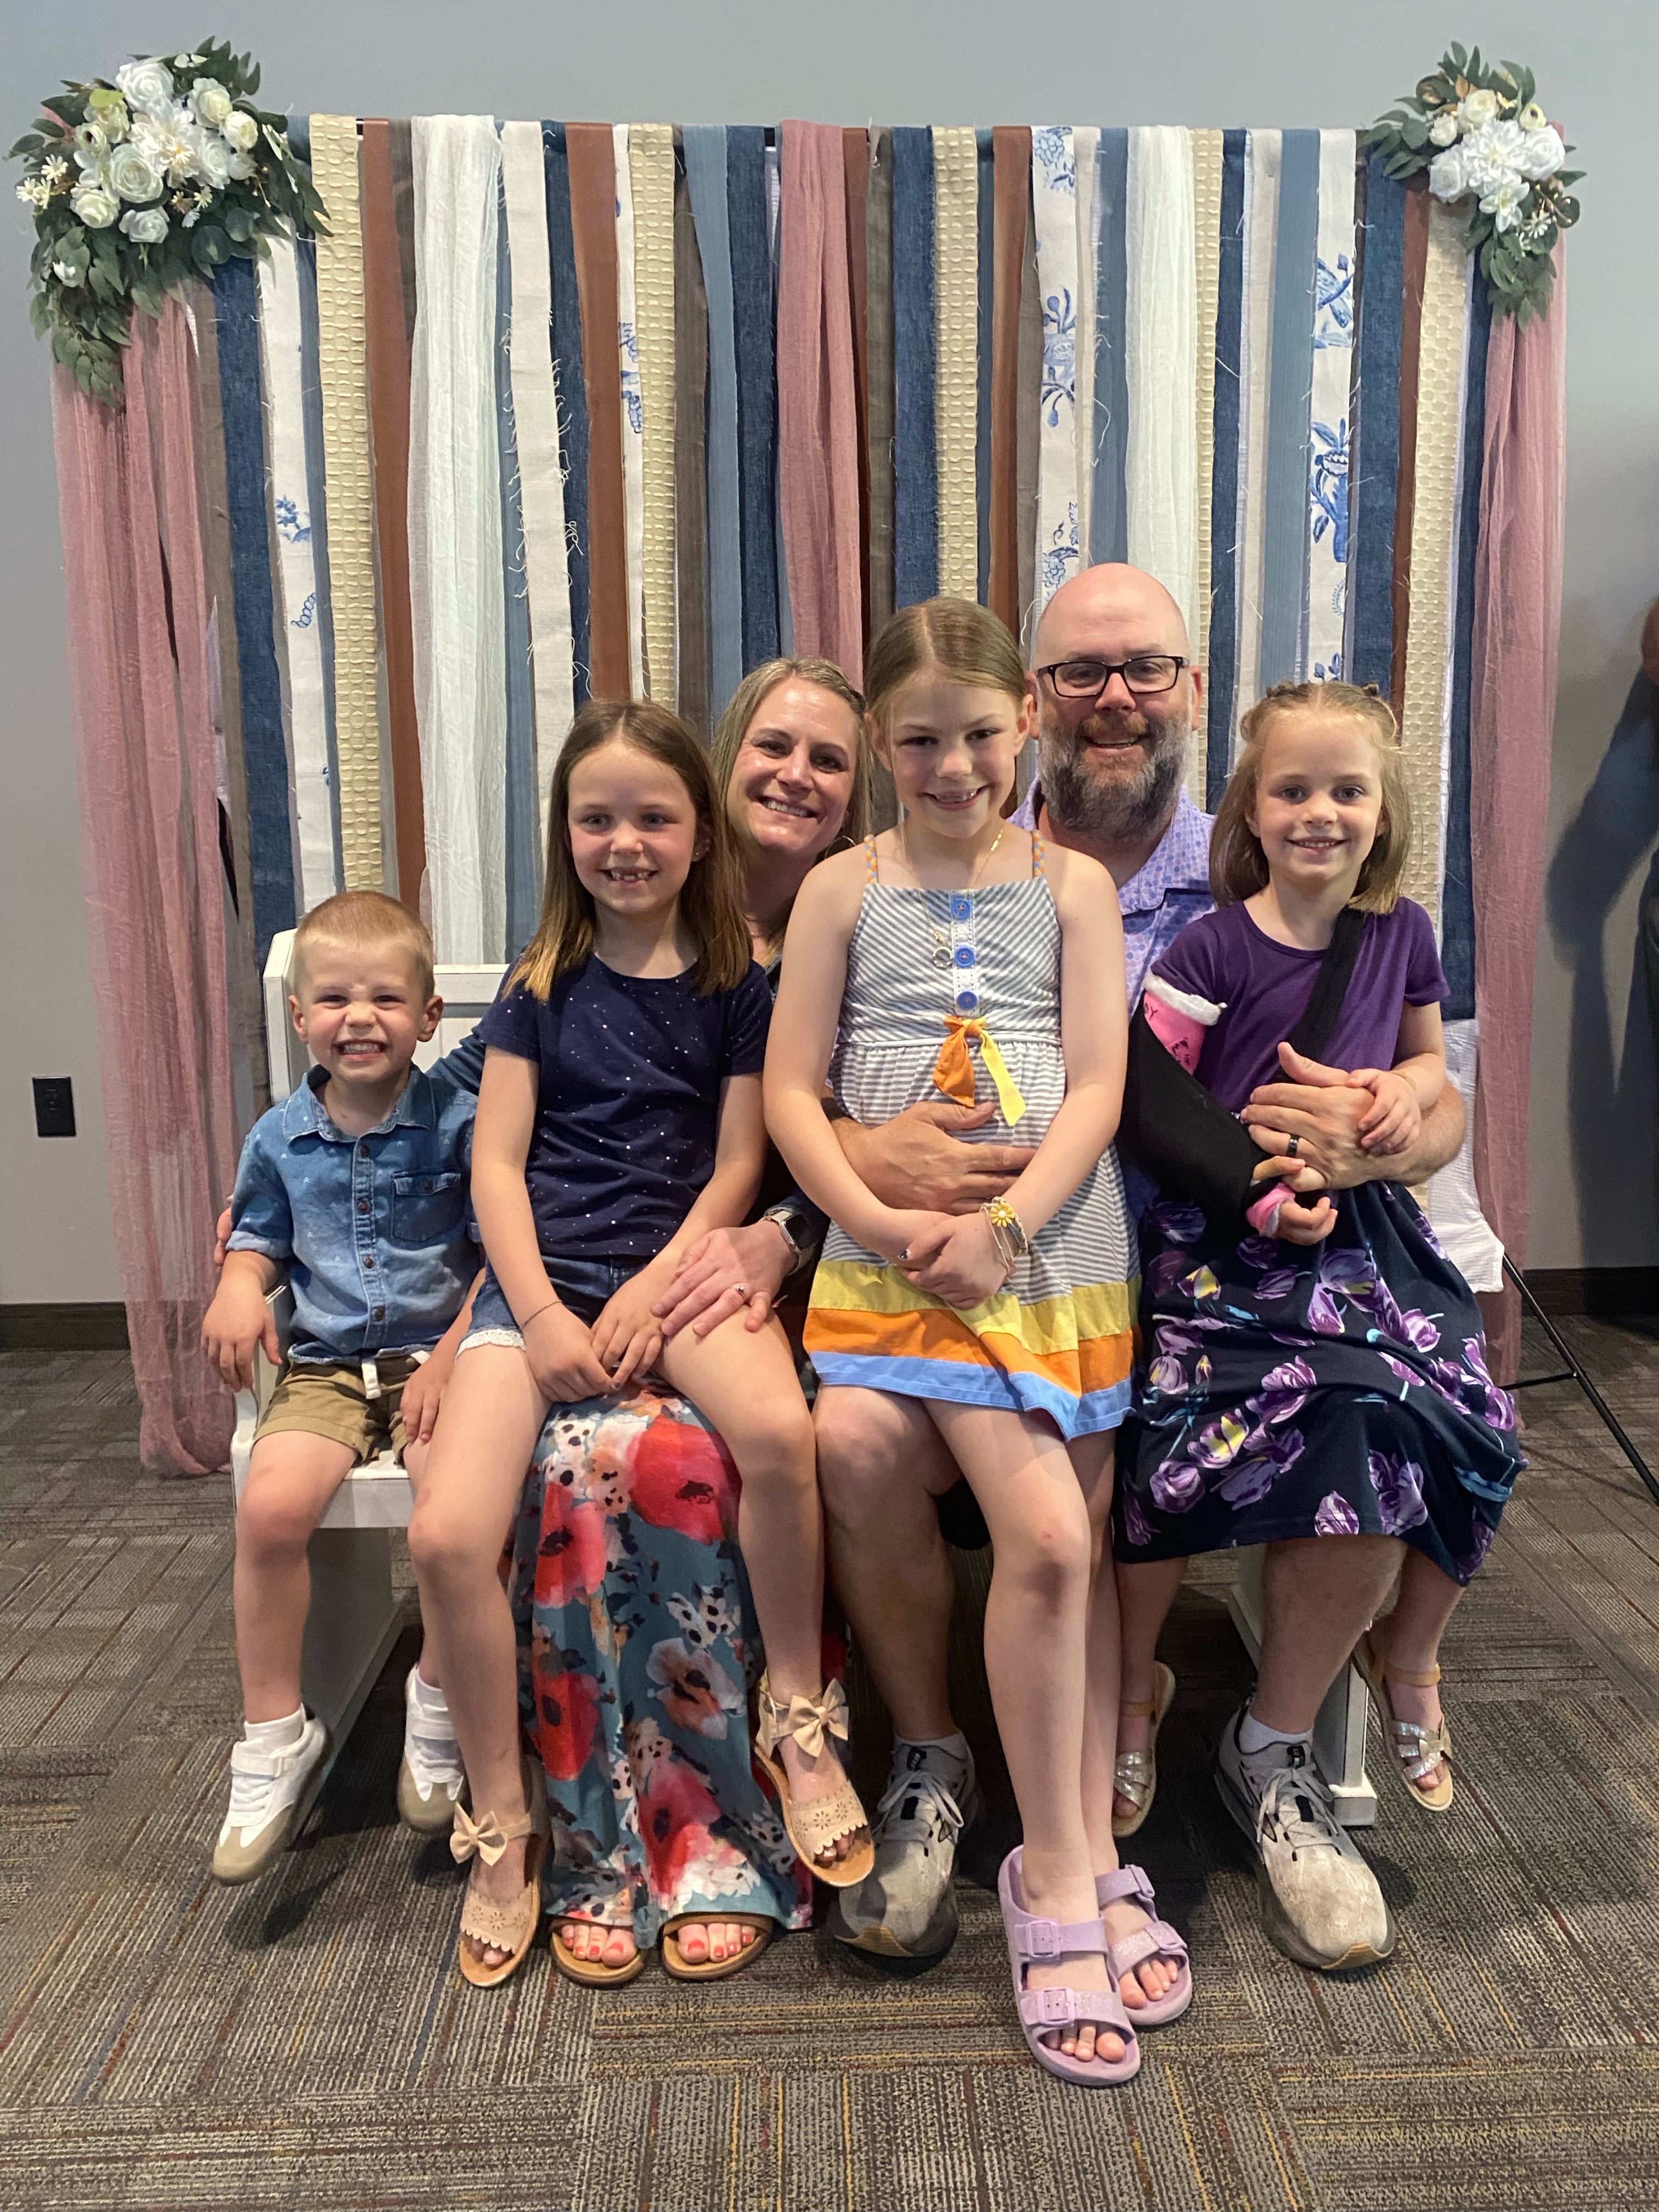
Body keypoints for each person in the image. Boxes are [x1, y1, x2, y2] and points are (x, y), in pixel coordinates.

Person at [815, 562, 1469, 1962]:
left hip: (1202, 1267)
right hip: (993, 1271)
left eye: (1146, 670)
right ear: (1035, 702)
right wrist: (869, 1164)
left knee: (1376, 1400)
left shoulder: (1266, 861)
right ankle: (935, 1754)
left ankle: (1273, 1750)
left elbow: (1425, 1083)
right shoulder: (922, 862)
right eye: (1080, 673)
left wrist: (1395, 1129)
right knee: (858, 1442)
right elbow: (809, 1083)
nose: (1114, 699)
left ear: (1191, 688)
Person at [769, 597, 1188, 2089]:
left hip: (1052, 1259)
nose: (955, 768)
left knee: (1071, 1536)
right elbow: (793, 1095)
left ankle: (1073, 1847)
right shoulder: (840, 891)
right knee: (1052, 1539)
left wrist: (1005, 1228)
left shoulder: (1071, 886)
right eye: (920, 741)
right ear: (881, 745)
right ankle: (1060, 1875)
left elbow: (1096, 1086)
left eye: (982, 736)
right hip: (894, 1275)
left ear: (1028, 724)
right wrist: (884, 1224)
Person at [407, 698, 871, 1991]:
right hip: (542, 1291)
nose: (625, 842)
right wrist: (542, 1316)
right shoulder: (536, 987)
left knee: (778, 1432)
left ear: (700, 832)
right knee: (444, 1533)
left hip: (682, 1275)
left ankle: (798, 1715)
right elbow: (496, 1169)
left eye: (654, 817)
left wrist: (657, 1295)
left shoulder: (738, 988)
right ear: (564, 833)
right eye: (597, 818)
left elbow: (735, 1171)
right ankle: (505, 1824)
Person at [1122, 680, 1522, 1966]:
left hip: (1360, 1236)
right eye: (1292, 789)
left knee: (1438, 1407)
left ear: (1383, 812)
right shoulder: (1208, 948)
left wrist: (1401, 1106)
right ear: (1249, 809)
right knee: (1169, 1421)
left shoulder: (1400, 934)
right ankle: (1129, 1697)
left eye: (1347, 790)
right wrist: (1251, 1183)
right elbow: (1150, 1093)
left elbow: (1427, 1067)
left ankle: (1324, 1711)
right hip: (1224, 1237)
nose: (1320, 813)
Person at [201, 892, 477, 1881]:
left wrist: (451, 1357)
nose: (360, 1017)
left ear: (429, 1016)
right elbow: (259, 1237)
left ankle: (439, 1692)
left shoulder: (459, 1125)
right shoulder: (278, 1136)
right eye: (334, 999)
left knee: (450, 1513)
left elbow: (497, 1259)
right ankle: (275, 1733)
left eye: (387, 999)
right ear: (299, 1017)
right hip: (324, 1365)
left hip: (438, 1362)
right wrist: (240, 1284)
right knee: (270, 1510)